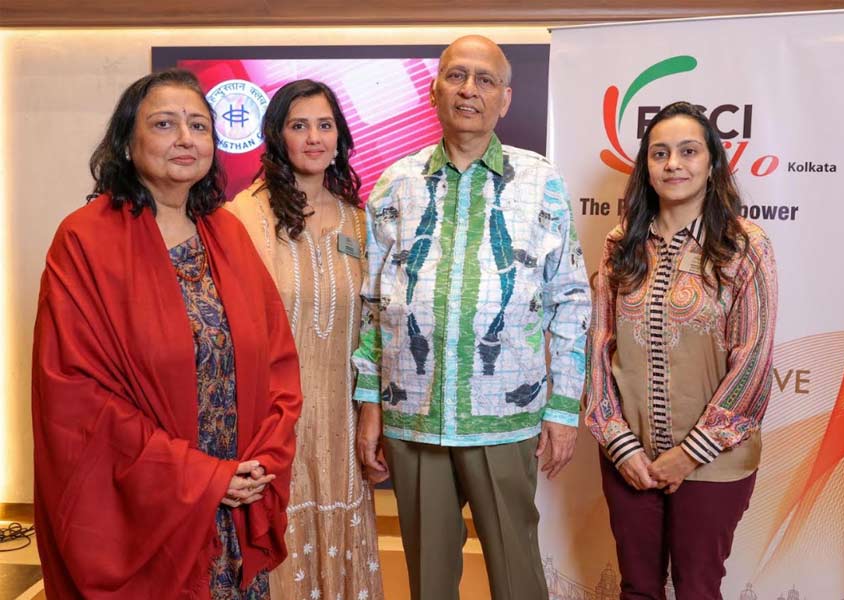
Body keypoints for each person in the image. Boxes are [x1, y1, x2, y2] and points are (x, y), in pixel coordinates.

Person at [31, 69, 303, 599]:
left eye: (198, 126)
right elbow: (75, 395)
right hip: (155, 505)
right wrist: (200, 477)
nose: (185, 138)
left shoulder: (227, 233)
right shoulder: (84, 240)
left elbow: (277, 361)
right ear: (126, 143)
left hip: (239, 493)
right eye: (164, 124)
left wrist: (261, 462)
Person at [352, 35, 591, 600]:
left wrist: (563, 407)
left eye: (485, 80)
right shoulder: (395, 181)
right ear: (434, 90)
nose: (469, 90)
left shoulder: (540, 180)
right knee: (429, 575)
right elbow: (373, 303)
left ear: (505, 99)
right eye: (456, 76)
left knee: (516, 572)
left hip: (504, 416)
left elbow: (570, 298)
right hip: (413, 412)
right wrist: (369, 404)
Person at [586, 101, 778, 599]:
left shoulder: (744, 245)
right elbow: (598, 349)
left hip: (714, 459)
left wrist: (689, 455)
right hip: (629, 456)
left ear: (712, 163)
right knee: (637, 588)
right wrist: (619, 443)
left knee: (697, 589)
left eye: (688, 151)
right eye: (660, 153)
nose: (673, 164)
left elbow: (754, 361)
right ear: (646, 167)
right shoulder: (620, 243)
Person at [227, 80, 384, 600]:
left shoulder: (360, 222)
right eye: (299, 126)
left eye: (325, 125)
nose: (314, 138)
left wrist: (373, 411)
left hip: (342, 417)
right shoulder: (241, 217)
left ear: (339, 138)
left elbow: (376, 326)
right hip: (270, 419)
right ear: (277, 136)